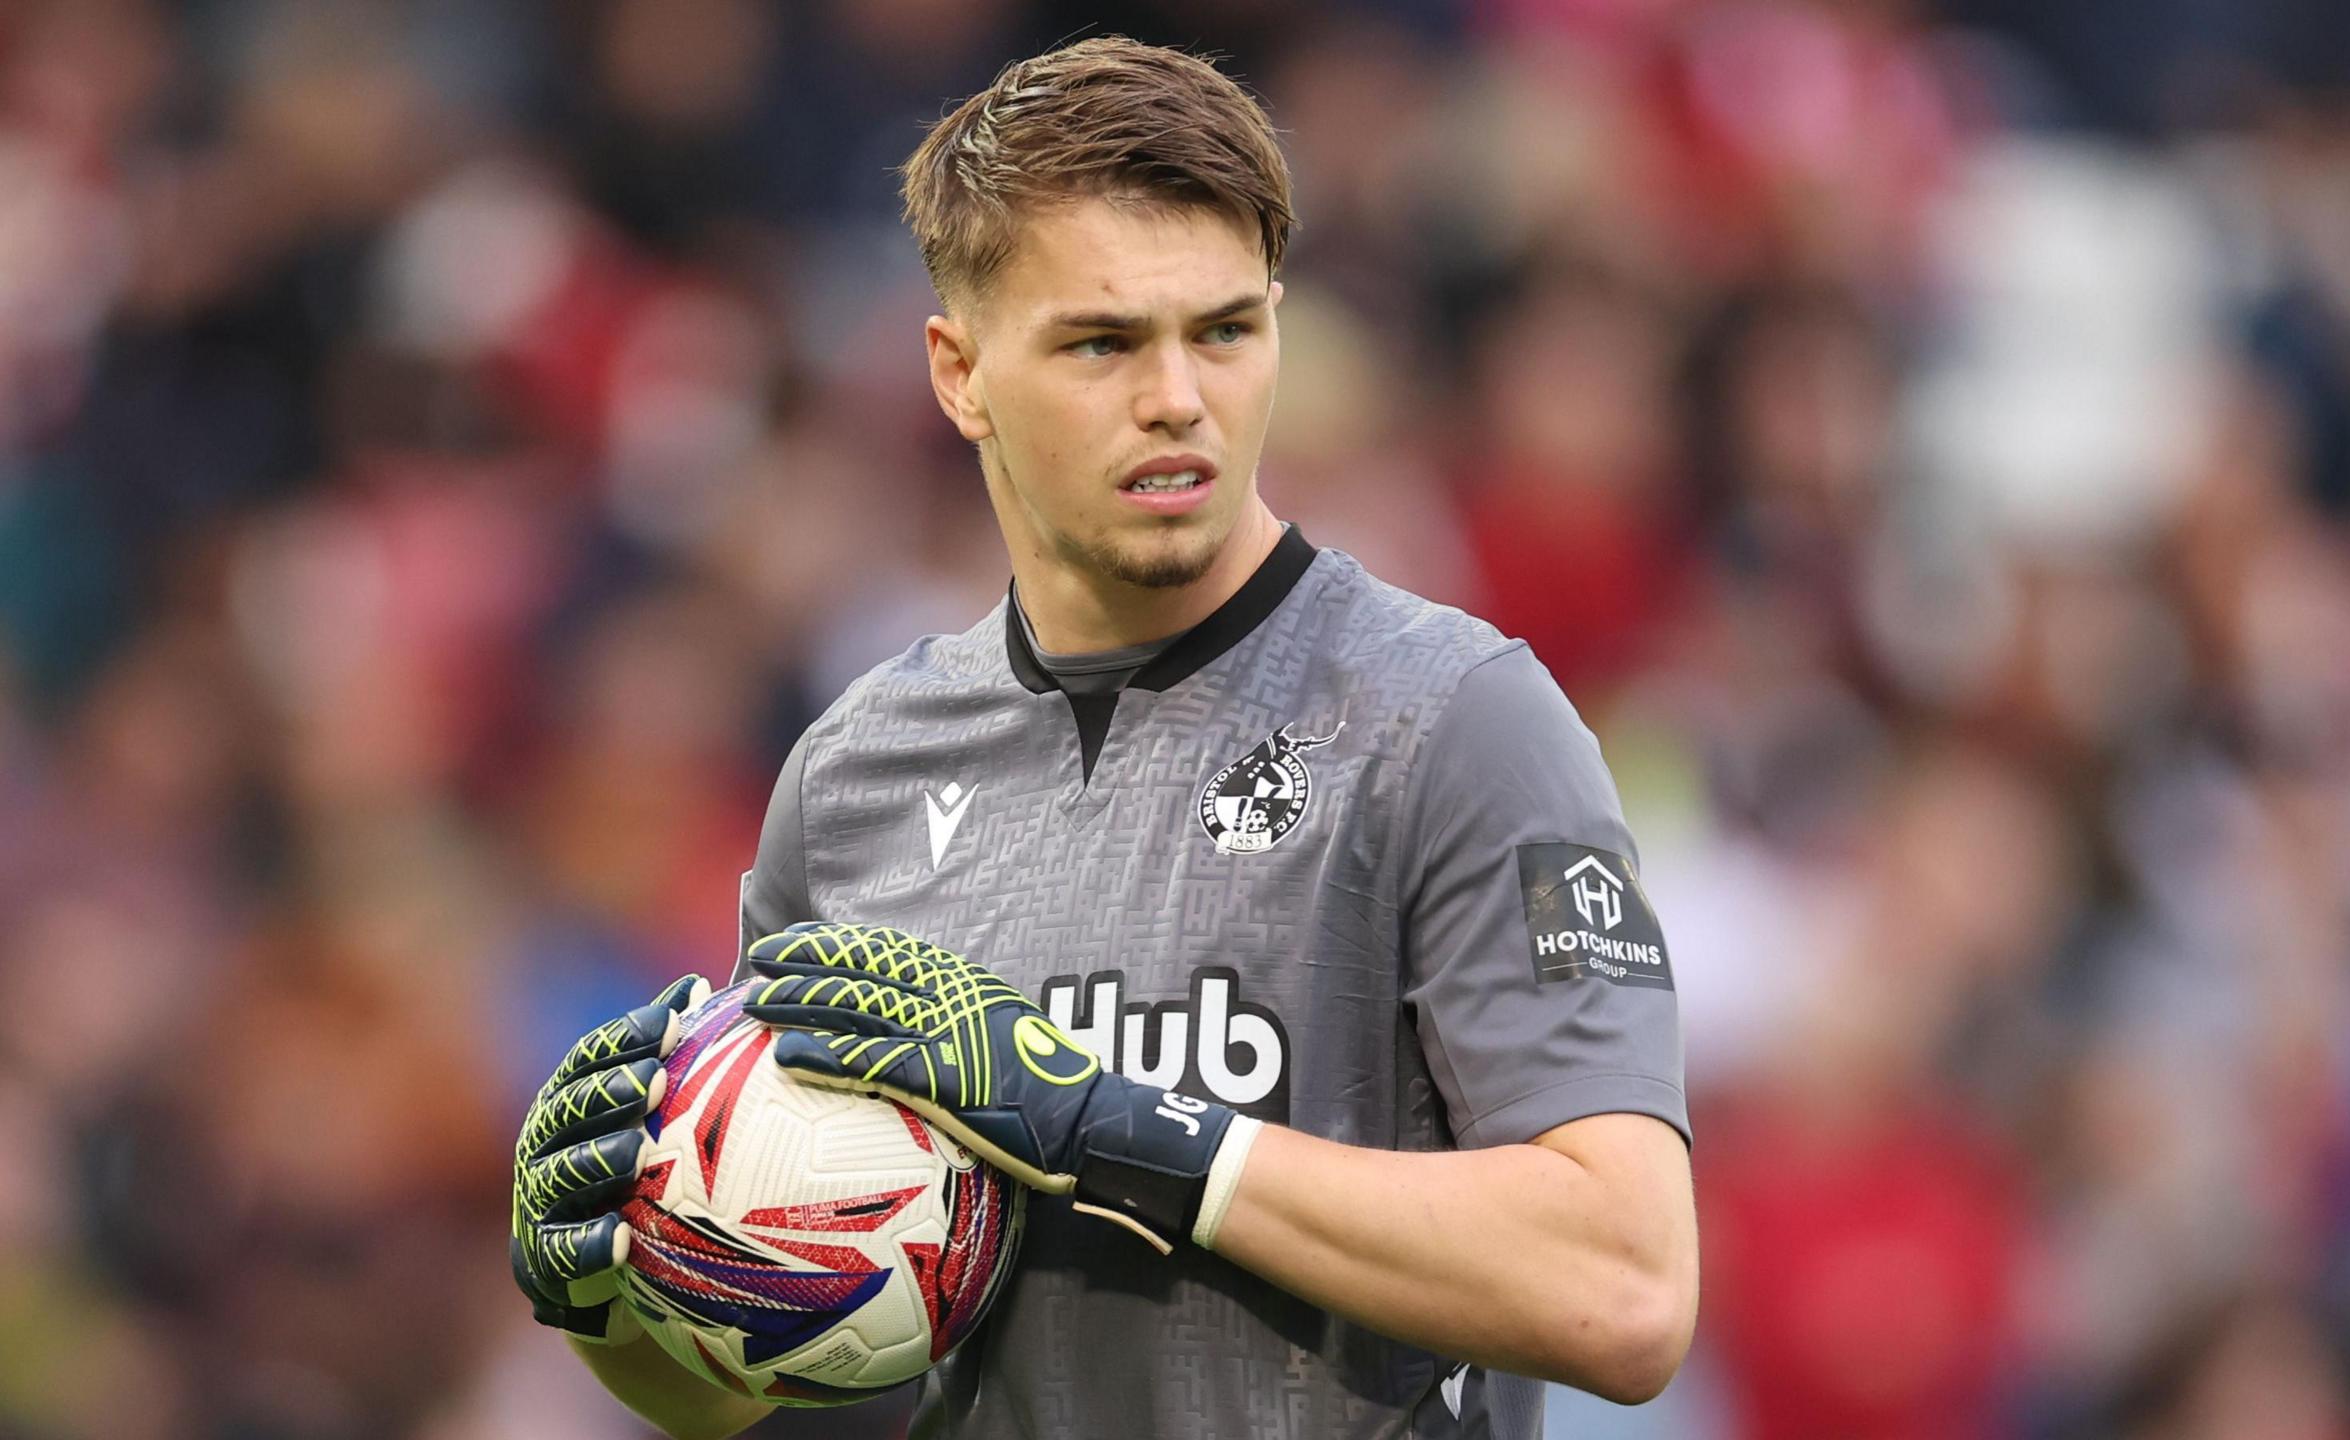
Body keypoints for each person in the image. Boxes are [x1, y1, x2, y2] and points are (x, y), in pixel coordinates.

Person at [509, 36, 1696, 1440]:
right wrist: (615, 1289)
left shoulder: (1453, 718)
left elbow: (1626, 1291)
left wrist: (1123, 1131)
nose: (1179, 398)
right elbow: (769, 1374)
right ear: (960, 374)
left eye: (1226, 331)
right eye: (1102, 342)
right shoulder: (855, 778)